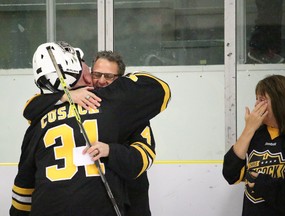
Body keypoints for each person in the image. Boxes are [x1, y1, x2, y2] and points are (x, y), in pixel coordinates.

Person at [10, 42, 171, 215]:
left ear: (120, 80)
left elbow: (141, 159)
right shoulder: (59, 105)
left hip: (125, 201)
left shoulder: (43, 115)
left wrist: (111, 151)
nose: (101, 81)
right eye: (96, 74)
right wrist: (66, 95)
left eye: (109, 77)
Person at [222, 74, 285, 216]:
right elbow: (230, 174)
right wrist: (249, 129)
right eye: (256, 99)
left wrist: (261, 182)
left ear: (279, 102)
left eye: (262, 100)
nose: (256, 105)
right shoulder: (256, 135)